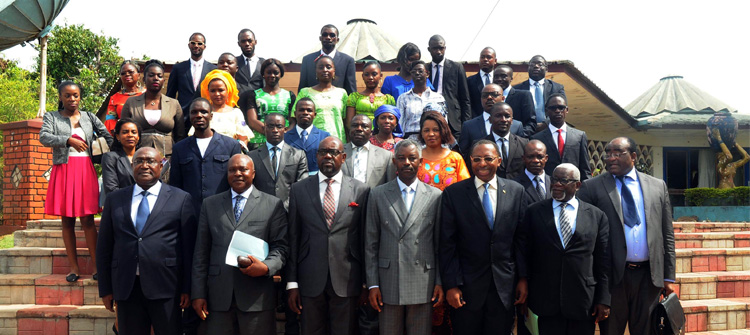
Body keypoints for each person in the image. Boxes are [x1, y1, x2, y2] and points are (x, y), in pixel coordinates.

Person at [577, 137, 676, 335]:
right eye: (608, 153)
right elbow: (585, 235)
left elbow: (667, 234)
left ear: (633, 156)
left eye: (617, 153)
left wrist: (669, 277)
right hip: (612, 278)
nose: (611, 158)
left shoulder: (657, 186)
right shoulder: (592, 187)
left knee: (646, 330)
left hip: (649, 277)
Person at [97, 147, 197, 335]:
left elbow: (188, 248)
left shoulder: (181, 198)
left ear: (161, 166)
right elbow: (104, 247)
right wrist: (106, 289)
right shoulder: (115, 199)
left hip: (167, 286)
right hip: (127, 288)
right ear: (132, 166)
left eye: (150, 161)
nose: (144, 165)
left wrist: (187, 287)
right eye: (139, 161)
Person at [439, 139, 528, 335]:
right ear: (470, 161)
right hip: (466, 289)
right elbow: (447, 244)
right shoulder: (454, 194)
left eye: (488, 158)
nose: (482, 164)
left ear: (499, 160)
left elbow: (521, 240)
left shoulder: (516, 192)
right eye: (476, 159)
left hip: (504, 288)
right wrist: (452, 285)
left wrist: (523, 278)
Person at [191, 154, 288, 335]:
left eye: (243, 169)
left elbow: (281, 248)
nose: (238, 173)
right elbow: (201, 253)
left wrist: (266, 267)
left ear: (253, 173)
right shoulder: (210, 205)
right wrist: (198, 293)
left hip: (256, 298)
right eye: (232, 170)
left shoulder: (272, 204)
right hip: (218, 298)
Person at [287, 136, 370, 335]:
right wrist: (292, 282)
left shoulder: (361, 190)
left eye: (333, 152)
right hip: (309, 277)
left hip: (347, 278)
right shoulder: (299, 189)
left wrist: (367, 281)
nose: (327, 156)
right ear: (316, 156)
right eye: (323, 152)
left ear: (343, 157)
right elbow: (293, 236)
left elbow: (366, 239)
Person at [364, 139, 443, 335]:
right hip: (389, 280)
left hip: (423, 279)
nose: (407, 162)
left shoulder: (435, 195)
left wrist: (439, 281)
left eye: (412, 158)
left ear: (420, 161)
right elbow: (371, 243)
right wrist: (373, 283)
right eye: (401, 158)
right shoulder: (378, 194)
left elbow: (440, 244)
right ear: (394, 162)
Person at [521, 163, 610, 335]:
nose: (556, 184)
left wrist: (604, 298)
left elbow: (603, 260)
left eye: (563, 180)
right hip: (545, 300)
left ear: (577, 185)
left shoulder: (596, 216)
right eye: (554, 179)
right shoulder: (534, 212)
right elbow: (525, 252)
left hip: (583, 300)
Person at [40, 81, 113, 283]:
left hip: (85, 169)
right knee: (67, 220)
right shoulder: (52, 117)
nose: (72, 99)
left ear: (80, 97)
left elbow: (107, 136)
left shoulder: (89, 117)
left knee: (88, 219)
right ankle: (73, 268)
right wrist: (68, 139)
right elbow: (44, 137)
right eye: (67, 95)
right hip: (63, 169)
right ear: (61, 97)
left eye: (76, 95)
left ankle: (98, 267)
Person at [169, 97, 243, 212]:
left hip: (222, 212)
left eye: (203, 112)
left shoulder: (231, 146)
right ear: (189, 116)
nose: (199, 115)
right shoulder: (179, 148)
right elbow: (175, 184)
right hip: (190, 212)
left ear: (211, 116)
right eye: (194, 112)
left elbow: (236, 182)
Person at [121, 60, 185, 158]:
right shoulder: (131, 102)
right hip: (138, 157)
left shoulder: (174, 104)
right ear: (144, 79)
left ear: (163, 80)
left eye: (159, 76)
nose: (156, 78)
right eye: (151, 75)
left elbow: (180, 136)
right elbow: (123, 131)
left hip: (167, 159)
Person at [248, 113, 308, 209]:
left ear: (285, 129)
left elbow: (302, 185)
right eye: (270, 126)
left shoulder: (298, 155)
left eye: (279, 126)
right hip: (261, 211)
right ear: (264, 129)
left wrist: (284, 207)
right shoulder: (252, 156)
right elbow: (250, 186)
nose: (275, 130)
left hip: (289, 212)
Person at [531, 93, 592, 180]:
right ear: (546, 111)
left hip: (572, 187)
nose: (557, 111)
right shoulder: (537, 139)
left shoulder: (579, 136)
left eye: (561, 108)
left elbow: (585, 169)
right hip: (548, 188)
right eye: (553, 108)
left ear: (566, 110)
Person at [241, 59, 296, 150]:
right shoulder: (254, 95)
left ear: (281, 74)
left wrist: (283, 133)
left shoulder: (289, 95)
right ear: (263, 74)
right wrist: (271, 132)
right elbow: (252, 120)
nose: (272, 75)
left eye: (276, 72)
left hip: (284, 140)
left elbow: (292, 120)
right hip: (259, 142)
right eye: (268, 72)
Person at [193, 69, 254, 149]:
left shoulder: (236, 113)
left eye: (221, 90)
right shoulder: (203, 113)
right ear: (208, 92)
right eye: (213, 91)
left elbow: (243, 139)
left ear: (228, 91)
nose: (217, 94)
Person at [165, 32, 217, 125]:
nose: (196, 46)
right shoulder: (178, 68)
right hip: (182, 117)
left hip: (204, 118)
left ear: (204, 46)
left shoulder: (213, 70)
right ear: (189, 45)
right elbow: (170, 95)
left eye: (199, 43)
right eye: (193, 43)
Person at [427, 35, 471, 138]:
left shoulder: (456, 67)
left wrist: (466, 125)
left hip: (453, 120)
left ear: (445, 48)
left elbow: (465, 99)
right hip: (430, 118)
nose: (438, 51)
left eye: (441, 48)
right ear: (429, 49)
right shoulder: (425, 68)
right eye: (435, 48)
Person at [295, 55, 348, 140]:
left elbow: (346, 122)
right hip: (311, 141)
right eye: (321, 67)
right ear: (316, 71)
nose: (325, 70)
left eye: (328, 67)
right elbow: (295, 119)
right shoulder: (305, 92)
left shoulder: (342, 93)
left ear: (334, 71)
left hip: (337, 141)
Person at [417, 111, 470, 191]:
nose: (431, 134)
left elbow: (465, 186)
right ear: (421, 133)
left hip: (450, 203)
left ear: (443, 131)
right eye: (426, 130)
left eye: (435, 130)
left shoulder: (455, 158)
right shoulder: (416, 158)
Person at [458, 84, 514, 158]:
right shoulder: (469, 126)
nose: (489, 97)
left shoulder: (516, 125)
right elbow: (463, 154)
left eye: (494, 94)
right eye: (485, 95)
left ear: (503, 98)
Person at [298, 24, 357, 94]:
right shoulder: (308, 60)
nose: (328, 37)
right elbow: (302, 88)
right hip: (312, 103)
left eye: (332, 35)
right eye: (325, 35)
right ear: (320, 38)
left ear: (337, 39)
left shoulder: (347, 61)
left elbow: (351, 90)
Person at [342, 114, 396, 189]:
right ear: (350, 129)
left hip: (373, 199)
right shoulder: (339, 152)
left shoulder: (386, 156)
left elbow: (390, 186)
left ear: (371, 132)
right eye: (355, 125)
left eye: (364, 126)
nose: (359, 129)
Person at [513, 55, 566, 129]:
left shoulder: (557, 88)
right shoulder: (517, 89)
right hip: (524, 131)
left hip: (549, 130)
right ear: (528, 69)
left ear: (546, 69)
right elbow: (514, 112)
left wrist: (545, 124)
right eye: (532, 64)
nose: (536, 66)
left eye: (540, 64)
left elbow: (562, 109)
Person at [397, 61, 446, 140]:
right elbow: (400, 123)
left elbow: (444, 123)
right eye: (414, 71)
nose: (417, 73)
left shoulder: (438, 98)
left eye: (420, 71)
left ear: (427, 74)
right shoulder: (403, 98)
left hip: (432, 139)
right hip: (411, 140)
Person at [345, 61, 396, 133]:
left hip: (381, 137)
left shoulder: (388, 99)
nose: (370, 77)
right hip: (360, 136)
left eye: (374, 74)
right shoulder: (354, 97)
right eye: (367, 74)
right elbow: (349, 123)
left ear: (380, 76)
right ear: (362, 76)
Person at [285, 98, 331, 174]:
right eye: (301, 110)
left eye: (309, 110)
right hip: (292, 182)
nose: (305, 113)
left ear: (315, 115)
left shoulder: (325, 137)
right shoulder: (285, 137)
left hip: (316, 182)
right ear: (295, 113)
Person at [484, 102, 528, 180]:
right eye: (498, 116)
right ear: (490, 120)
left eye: (507, 116)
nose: (503, 120)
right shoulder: (482, 145)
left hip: (517, 189)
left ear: (512, 120)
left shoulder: (524, 143)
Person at [99, 60, 145, 134]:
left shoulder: (147, 94)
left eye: (130, 72)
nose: (127, 74)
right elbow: (110, 121)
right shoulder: (114, 98)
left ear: (138, 75)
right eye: (123, 73)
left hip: (145, 135)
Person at [101, 118, 140, 204]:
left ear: (138, 137)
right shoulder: (110, 158)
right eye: (125, 132)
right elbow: (111, 189)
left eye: (134, 132)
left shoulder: (145, 157)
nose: (130, 135)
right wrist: (140, 193)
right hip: (121, 205)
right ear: (118, 136)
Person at [493, 64, 536, 137]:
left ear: (511, 78)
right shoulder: (489, 97)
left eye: (503, 76)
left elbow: (531, 123)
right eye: (496, 76)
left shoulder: (523, 95)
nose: (499, 79)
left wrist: (516, 139)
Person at [467, 47, 497, 118]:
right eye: (482, 57)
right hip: (476, 120)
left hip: (497, 119)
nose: (485, 60)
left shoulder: (499, 80)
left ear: (495, 60)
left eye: (489, 57)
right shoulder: (469, 81)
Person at [235, 29, 265, 94]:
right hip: (239, 102)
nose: (247, 44)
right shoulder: (234, 63)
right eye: (243, 41)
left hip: (259, 102)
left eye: (250, 41)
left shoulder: (264, 63)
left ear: (255, 42)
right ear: (239, 44)